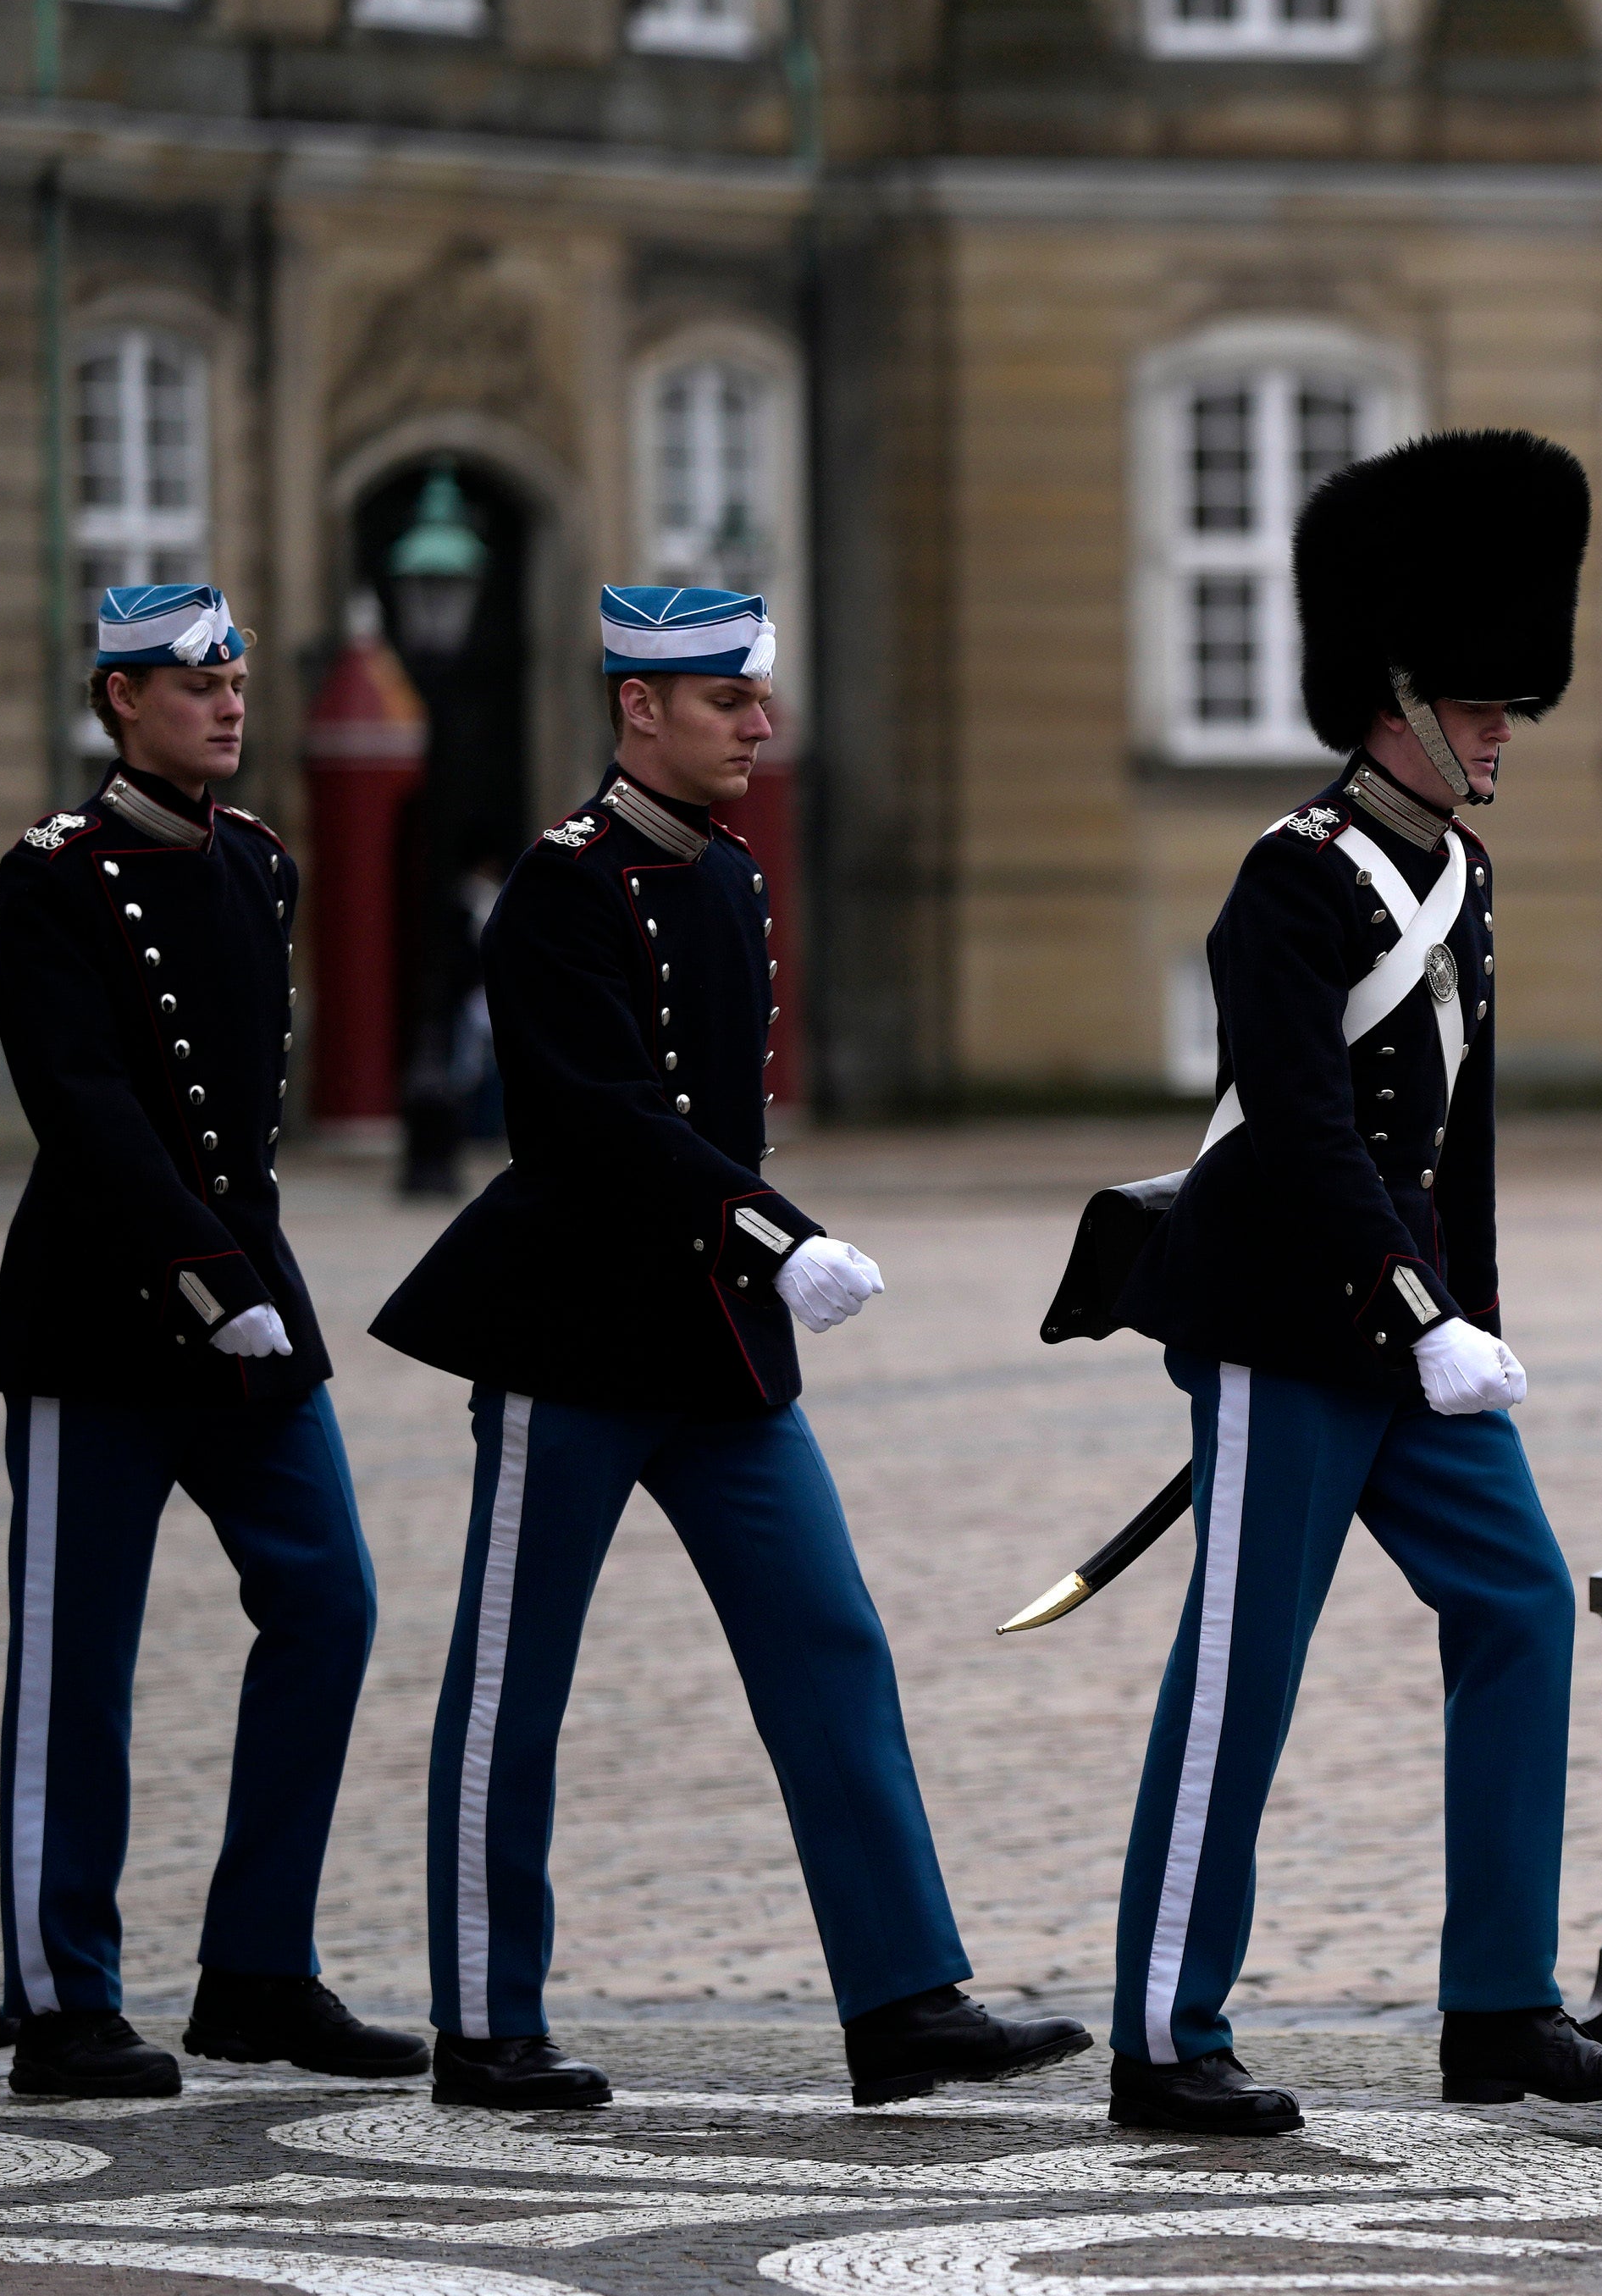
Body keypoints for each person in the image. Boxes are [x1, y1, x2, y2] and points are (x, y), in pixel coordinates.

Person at [371, 588, 1085, 2114]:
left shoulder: (730, 875)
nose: (760, 726)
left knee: (829, 1643)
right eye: (727, 705)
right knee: (516, 1679)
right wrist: (775, 1234)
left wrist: (754, 1255)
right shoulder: (560, 887)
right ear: (639, 708)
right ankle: (487, 2023)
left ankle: (904, 2000)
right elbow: (596, 1119)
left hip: (712, 1349)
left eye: (755, 702)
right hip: (574, 1334)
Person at [1099, 430, 1602, 2140]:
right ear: (1396, 700)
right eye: (1480, 709)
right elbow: (1299, 1125)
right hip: (1283, 1320)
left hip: (1407, 1331)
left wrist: (1464, 1313)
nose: (1500, 737)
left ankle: (1497, 2002)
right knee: (1243, 1665)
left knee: (1518, 1608)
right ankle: (1161, 2026)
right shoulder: (1293, 876)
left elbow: (1450, 1146)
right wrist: (1419, 1318)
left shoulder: (1456, 874)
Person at [0, 584, 414, 2097]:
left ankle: (259, 1968)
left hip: (251, 1314)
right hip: (105, 1312)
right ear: (117, 702)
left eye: (232, 673)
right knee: (76, 1662)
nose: (226, 700)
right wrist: (204, 1269)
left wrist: (248, 1284)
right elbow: (81, 1106)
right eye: (189, 679)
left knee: (329, 1604)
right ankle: (63, 1998)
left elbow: (242, 1121)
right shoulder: (54, 875)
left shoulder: (261, 867)